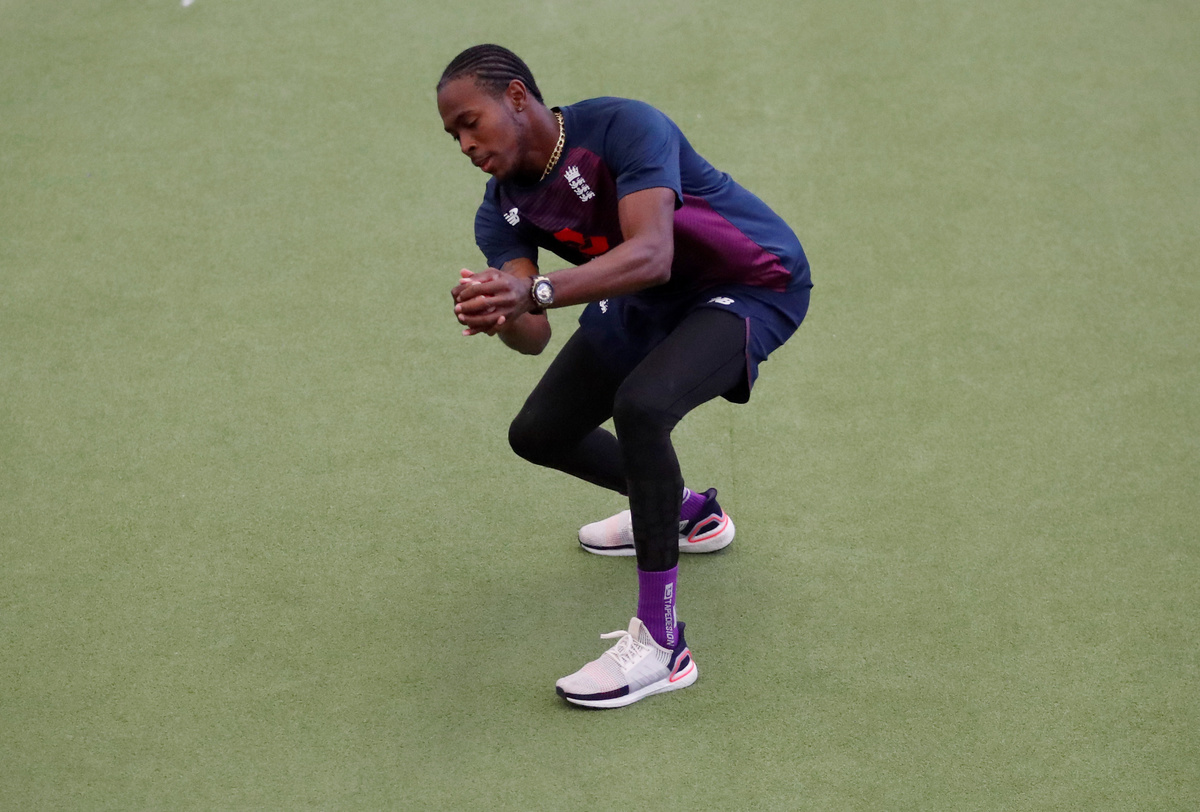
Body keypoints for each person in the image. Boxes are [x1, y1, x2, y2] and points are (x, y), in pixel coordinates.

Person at [437, 44, 811, 709]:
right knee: (539, 432)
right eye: (453, 135)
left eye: (471, 122)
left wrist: (535, 291)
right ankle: (688, 515)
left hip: (750, 283)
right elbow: (533, 335)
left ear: (516, 97)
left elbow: (653, 254)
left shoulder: (624, 127)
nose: (465, 144)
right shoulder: (500, 211)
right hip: (647, 299)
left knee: (642, 406)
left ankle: (663, 646)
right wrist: (500, 309)